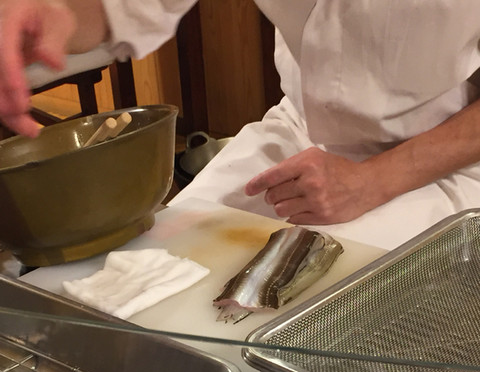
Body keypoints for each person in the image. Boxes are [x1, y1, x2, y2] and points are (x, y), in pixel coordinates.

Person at [1, 0, 480, 250]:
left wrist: (373, 180)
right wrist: (51, 13)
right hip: (300, 134)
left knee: (305, 335)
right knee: (150, 273)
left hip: (443, 161)